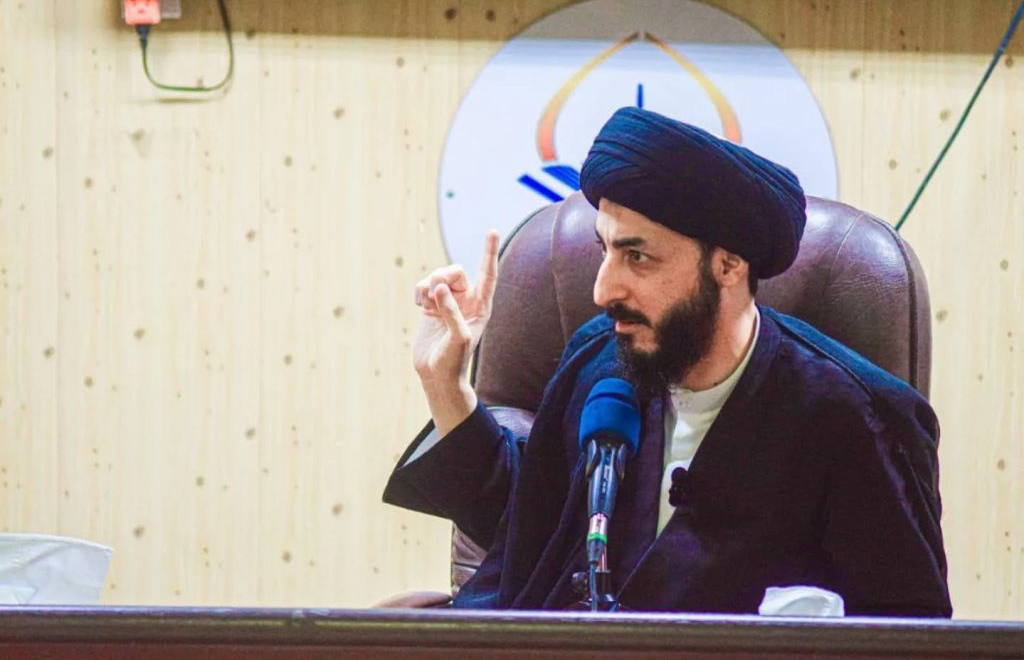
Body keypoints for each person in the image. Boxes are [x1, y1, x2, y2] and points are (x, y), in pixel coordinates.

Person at [383, 107, 952, 616]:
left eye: (637, 257)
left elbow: (907, 639)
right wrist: (446, 384)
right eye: (604, 250)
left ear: (728, 265)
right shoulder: (602, 362)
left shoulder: (857, 421)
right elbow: (528, 537)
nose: (603, 289)